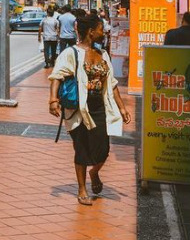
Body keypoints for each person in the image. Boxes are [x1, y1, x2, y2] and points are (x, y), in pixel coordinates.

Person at [49, 15, 132, 206]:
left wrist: (122, 107)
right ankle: (82, 189)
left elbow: (111, 84)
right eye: (101, 29)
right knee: (81, 148)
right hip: (79, 108)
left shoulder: (103, 54)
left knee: (103, 149)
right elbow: (57, 75)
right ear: (91, 32)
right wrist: (53, 99)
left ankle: (94, 172)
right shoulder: (71, 53)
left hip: (99, 107)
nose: (104, 33)